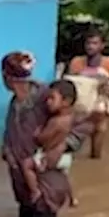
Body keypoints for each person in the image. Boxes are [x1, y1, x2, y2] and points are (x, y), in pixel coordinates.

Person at [2, 51, 94, 217]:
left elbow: (85, 124)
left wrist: (63, 146)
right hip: (22, 180)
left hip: (45, 182)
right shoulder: (15, 103)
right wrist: (7, 150)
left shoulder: (48, 97)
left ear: (6, 77)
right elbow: (12, 131)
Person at [66, 29, 109, 158]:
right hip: (79, 101)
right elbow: (70, 86)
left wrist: (108, 86)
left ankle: (93, 155)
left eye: (95, 43)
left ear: (102, 45)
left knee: (100, 116)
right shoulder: (76, 62)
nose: (90, 46)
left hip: (99, 101)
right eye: (88, 43)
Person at [22, 79, 78, 208]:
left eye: (52, 98)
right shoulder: (70, 117)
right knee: (65, 176)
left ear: (66, 102)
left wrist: (38, 133)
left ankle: (35, 191)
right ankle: (72, 198)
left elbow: (42, 139)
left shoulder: (56, 122)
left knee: (27, 165)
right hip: (65, 157)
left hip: (50, 157)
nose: (48, 102)